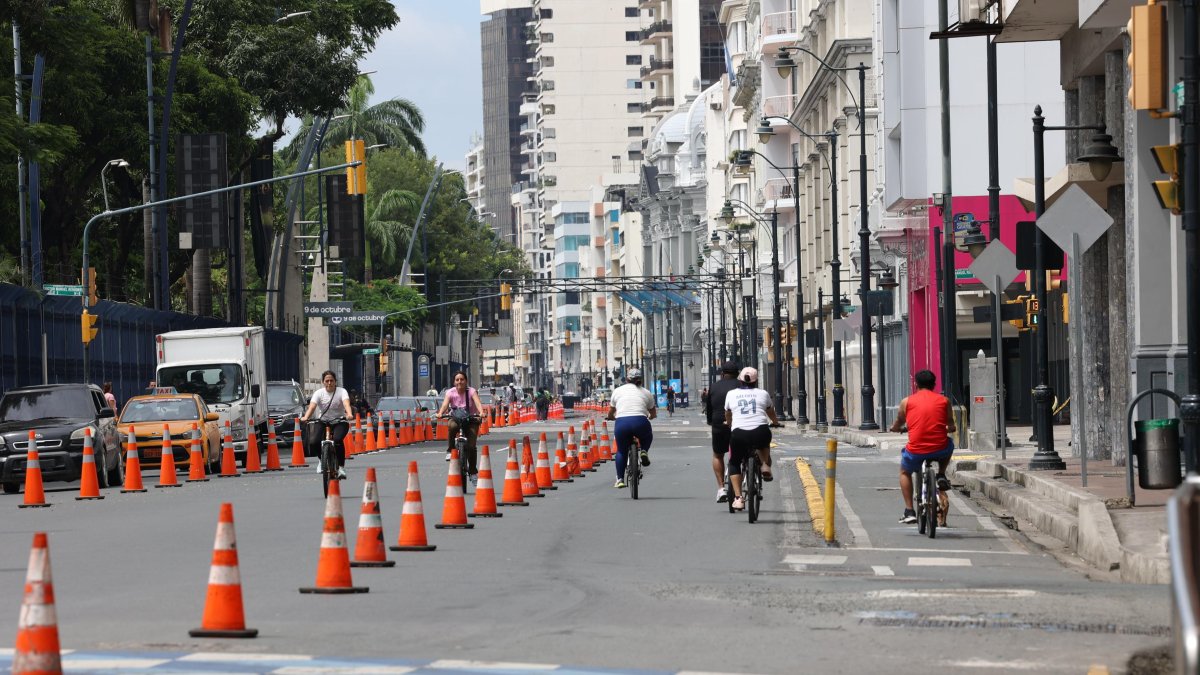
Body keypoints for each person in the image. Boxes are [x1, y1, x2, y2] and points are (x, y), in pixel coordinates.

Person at [890, 369, 956, 524]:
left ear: (916, 384)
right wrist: (948, 428)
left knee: (905, 472)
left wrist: (896, 429)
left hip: (916, 450)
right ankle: (940, 474)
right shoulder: (944, 401)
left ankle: (909, 511)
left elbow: (899, 422)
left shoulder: (907, 402)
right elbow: (951, 425)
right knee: (950, 444)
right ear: (934, 384)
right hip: (940, 447)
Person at [723, 367, 781, 511]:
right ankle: (765, 465)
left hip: (739, 433)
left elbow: (728, 414)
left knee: (734, 462)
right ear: (756, 381)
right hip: (760, 431)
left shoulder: (731, 394)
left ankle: (738, 498)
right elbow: (770, 412)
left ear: (740, 380)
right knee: (764, 442)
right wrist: (775, 422)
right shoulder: (763, 393)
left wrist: (729, 424)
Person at [606, 368, 656, 488]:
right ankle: (644, 450)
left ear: (627, 379)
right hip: (640, 421)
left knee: (621, 451)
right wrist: (650, 416)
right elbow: (653, 413)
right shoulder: (646, 392)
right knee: (647, 436)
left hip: (622, 423)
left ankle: (620, 479)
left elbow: (611, 411)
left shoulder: (617, 391)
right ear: (640, 379)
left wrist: (610, 417)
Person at [300, 370, 354, 479]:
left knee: (338, 440)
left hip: (339, 421)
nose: (329, 383)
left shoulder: (341, 391)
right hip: (323, 421)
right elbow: (312, 407)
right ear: (323, 382)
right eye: (327, 381)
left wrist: (349, 414)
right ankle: (321, 460)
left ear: (335, 381)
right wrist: (306, 417)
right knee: (314, 441)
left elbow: (346, 403)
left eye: (331, 381)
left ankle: (341, 468)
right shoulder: (318, 393)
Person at [436, 371, 485, 480]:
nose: (459, 382)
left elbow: (478, 403)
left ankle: (473, 472)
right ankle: (450, 449)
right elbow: (445, 405)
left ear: (466, 381)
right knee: (452, 426)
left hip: (471, 420)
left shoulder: (471, 391)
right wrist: (440, 413)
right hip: (456, 419)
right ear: (454, 382)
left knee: (472, 447)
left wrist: (481, 412)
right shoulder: (450, 392)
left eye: (462, 379)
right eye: (457, 380)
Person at [706, 361, 741, 503]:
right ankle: (742, 482)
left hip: (719, 424)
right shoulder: (742, 385)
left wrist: (710, 421)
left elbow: (709, 407)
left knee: (718, 455)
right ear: (738, 374)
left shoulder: (714, 387)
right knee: (741, 455)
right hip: (739, 425)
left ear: (722, 374)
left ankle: (721, 488)